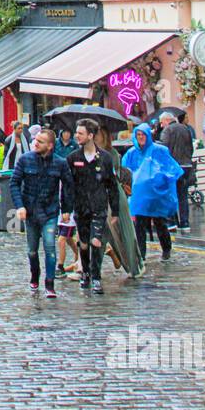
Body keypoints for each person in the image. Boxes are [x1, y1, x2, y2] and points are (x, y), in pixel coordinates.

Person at [9, 128, 73, 298]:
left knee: (50, 247)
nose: (36, 143)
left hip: (50, 211)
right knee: (32, 250)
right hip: (30, 212)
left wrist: (67, 208)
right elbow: (14, 183)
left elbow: (68, 186)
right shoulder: (25, 160)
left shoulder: (60, 163)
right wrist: (20, 206)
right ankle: (35, 275)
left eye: (40, 141)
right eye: (36, 140)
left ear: (50, 146)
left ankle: (50, 283)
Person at [64, 118, 120, 294]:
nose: (76, 136)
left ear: (90, 135)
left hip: (99, 206)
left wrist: (115, 210)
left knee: (96, 241)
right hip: (80, 207)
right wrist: (65, 208)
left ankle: (96, 277)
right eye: (76, 133)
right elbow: (67, 186)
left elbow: (112, 186)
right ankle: (85, 274)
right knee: (84, 243)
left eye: (80, 133)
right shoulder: (73, 158)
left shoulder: (105, 158)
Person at [123, 124, 182, 263]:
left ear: (148, 135)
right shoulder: (132, 153)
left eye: (143, 134)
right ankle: (141, 254)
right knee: (140, 226)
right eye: (138, 135)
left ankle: (166, 250)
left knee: (160, 223)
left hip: (156, 196)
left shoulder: (159, 150)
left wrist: (160, 179)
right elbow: (125, 171)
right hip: (139, 197)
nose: (141, 137)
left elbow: (171, 169)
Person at [96, 126, 144, 278]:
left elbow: (111, 176)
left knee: (121, 232)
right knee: (100, 234)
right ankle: (91, 270)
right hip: (97, 198)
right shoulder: (87, 153)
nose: (95, 138)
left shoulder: (112, 154)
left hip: (113, 197)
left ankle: (133, 265)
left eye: (98, 135)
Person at [158, 112, 195, 230]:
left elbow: (163, 149)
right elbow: (191, 147)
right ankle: (185, 222)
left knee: (171, 194)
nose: (161, 125)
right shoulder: (185, 128)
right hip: (186, 166)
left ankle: (172, 222)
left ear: (167, 120)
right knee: (183, 195)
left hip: (173, 167)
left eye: (162, 122)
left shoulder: (167, 131)